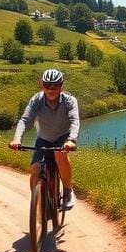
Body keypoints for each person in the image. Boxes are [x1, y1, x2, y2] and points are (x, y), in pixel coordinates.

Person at [10, 68, 79, 209]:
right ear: (42, 85)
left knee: (60, 157)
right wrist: (17, 139)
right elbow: (24, 120)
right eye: (47, 85)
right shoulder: (37, 100)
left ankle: (67, 191)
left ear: (61, 86)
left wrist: (71, 140)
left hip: (63, 138)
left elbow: (74, 121)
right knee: (35, 169)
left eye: (55, 86)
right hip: (43, 138)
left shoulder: (69, 101)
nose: (51, 90)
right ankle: (39, 201)